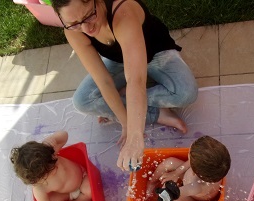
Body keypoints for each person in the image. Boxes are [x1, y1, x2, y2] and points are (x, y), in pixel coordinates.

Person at [51, 0, 198, 172]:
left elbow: (136, 80)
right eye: (74, 24)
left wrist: (135, 138)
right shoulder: (73, 30)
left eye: (89, 15)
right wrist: (126, 123)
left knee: (186, 93)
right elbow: (103, 81)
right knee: (82, 101)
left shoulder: (123, 12)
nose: (87, 29)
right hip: (119, 61)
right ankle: (156, 113)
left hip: (156, 54)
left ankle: (128, 99)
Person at [10, 131, 92, 201]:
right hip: (67, 193)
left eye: (54, 163)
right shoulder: (39, 188)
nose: (55, 168)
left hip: (82, 177)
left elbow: (64, 135)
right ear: (36, 181)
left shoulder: (49, 154)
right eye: (49, 172)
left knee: (89, 191)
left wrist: (51, 140)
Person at [146, 136, 231, 201]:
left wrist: (165, 196)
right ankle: (152, 182)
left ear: (194, 171)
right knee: (169, 163)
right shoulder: (211, 166)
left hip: (193, 199)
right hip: (190, 179)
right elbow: (191, 162)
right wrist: (176, 172)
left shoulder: (197, 186)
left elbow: (177, 193)